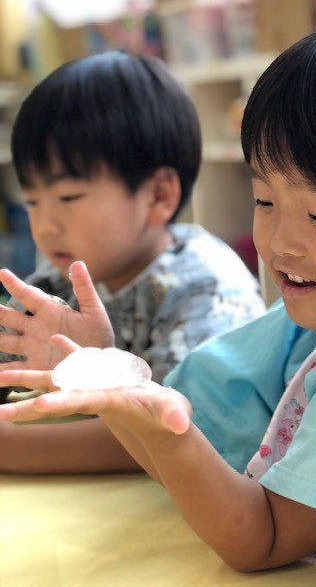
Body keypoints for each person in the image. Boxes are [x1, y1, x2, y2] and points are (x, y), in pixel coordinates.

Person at [0, 4, 316, 586]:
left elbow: (260, 538)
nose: (279, 243)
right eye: (265, 201)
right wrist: (108, 377)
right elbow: (189, 437)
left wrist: (150, 417)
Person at [0, 51, 266, 474]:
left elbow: (175, 430)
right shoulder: (60, 280)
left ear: (158, 195)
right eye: (32, 200)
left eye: (68, 197)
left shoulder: (205, 285)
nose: (45, 225)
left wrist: (11, 447)